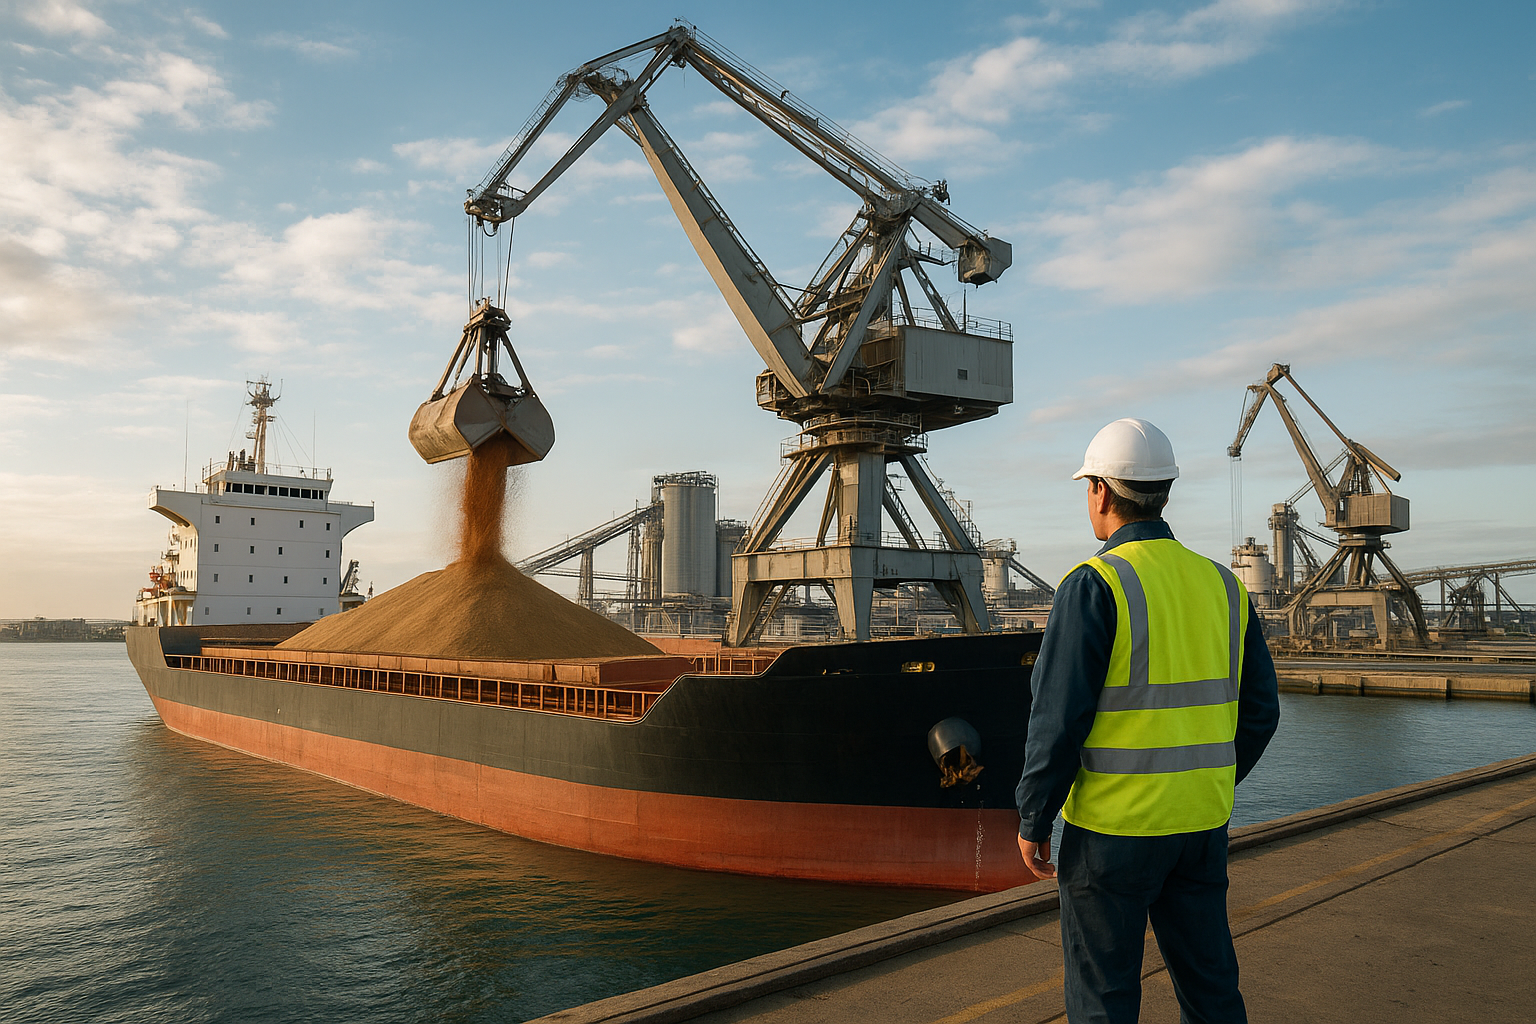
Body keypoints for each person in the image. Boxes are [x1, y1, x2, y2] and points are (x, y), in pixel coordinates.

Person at [1015, 417, 1280, 1024]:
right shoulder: (1223, 585)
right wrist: (1205, 779)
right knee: (1211, 989)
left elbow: (1058, 719)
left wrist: (1034, 815)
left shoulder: (1093, 585)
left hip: (1112, 833)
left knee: (1104, 997)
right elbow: (1261, 711)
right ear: (1164, 491)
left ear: (1102, 492)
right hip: (1199, 826)